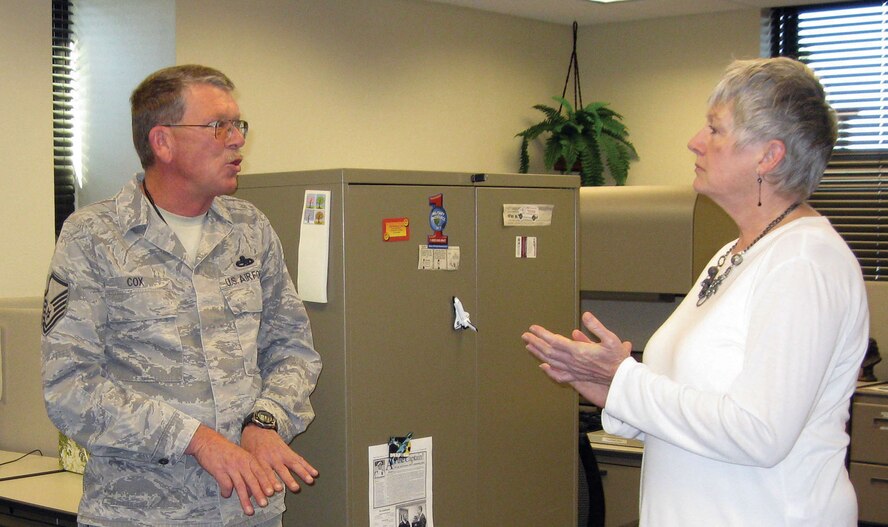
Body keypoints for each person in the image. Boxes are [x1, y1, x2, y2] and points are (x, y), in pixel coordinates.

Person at [523, 57, 869, 527]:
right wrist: (614, 391)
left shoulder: (804, 262)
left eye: (715, 129)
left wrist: (627, 381)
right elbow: (693, 405)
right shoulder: (734, 253)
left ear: (768, 156)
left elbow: (759, 433)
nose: (694, 141)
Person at [41, 64, 323, 527]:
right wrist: (196, 439)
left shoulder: (249, 229)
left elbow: (293, 351)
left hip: (248, 511)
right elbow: (71, 388)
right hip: (140, 515)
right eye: (219, 126)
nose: (237, 139)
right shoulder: (93, 237)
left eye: (238, 125)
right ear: (163, 142)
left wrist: (266, 421)